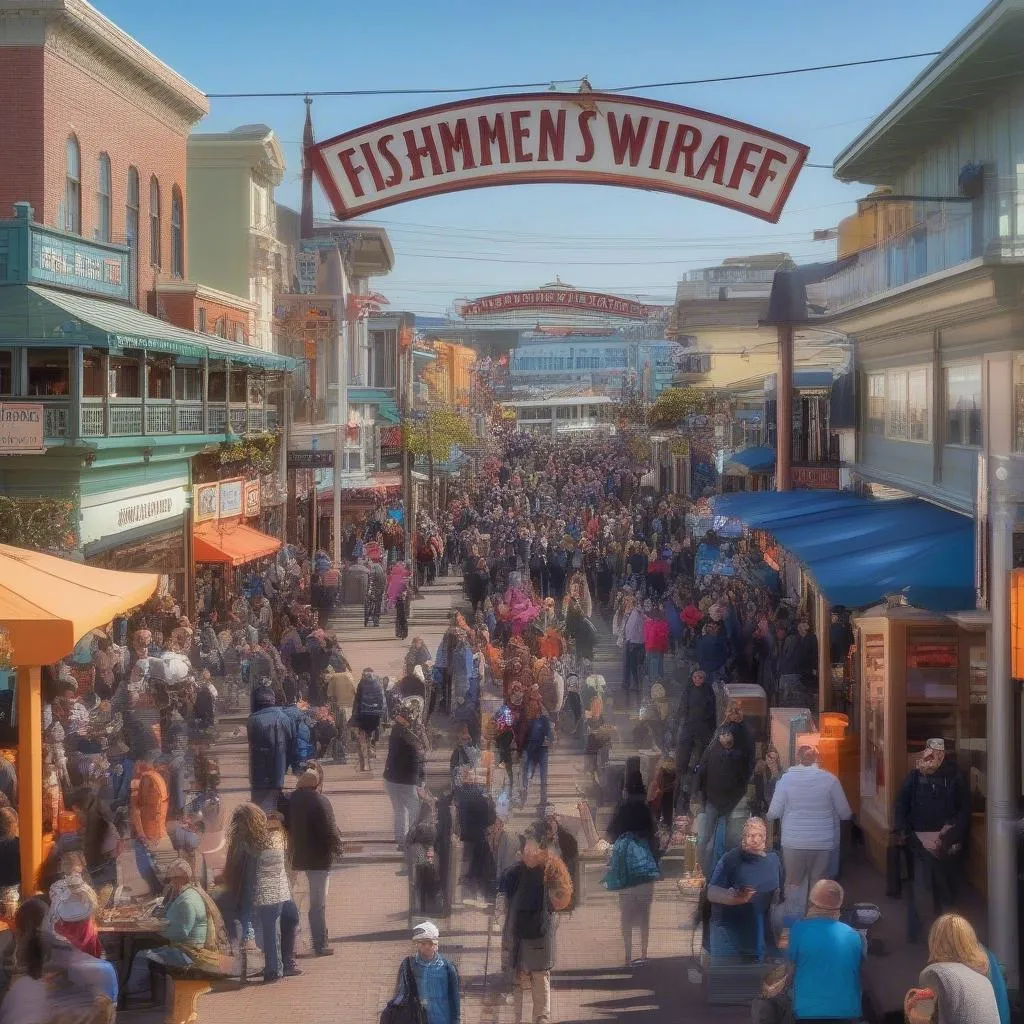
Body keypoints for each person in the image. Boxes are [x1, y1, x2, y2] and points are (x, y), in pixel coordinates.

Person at [893, 738, 971, 943]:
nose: (930, 757)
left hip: (945, 842)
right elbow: (901, 803)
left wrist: (949, 835)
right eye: (928, 752)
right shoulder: (915, 776)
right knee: (921, 888)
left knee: (945, 889)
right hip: (919, 841)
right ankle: (919, 933)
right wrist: (902, 829)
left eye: (935, 753)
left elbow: (964, 810)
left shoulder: (955, 777)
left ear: (943, 754)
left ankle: (946, 936)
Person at [500, 824, 573, 1024]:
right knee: (517, 978)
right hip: (516, 932)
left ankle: (541, 1018)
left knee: (540, 976)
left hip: (539, 931)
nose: (528, 852)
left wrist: (547, 903)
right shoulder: (513, 872)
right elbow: (503, 900)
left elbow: (562, 898)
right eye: (526, 848)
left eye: (532, 847)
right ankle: (517, 1017)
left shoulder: (552, 868)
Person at [125, 858, 225, 1000]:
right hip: (185, 949)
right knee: (142, 946)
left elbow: (182, 933)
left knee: (141, 955)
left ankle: (135, 995)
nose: (171, 884)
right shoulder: (187, 894)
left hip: (187, 953)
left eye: (172, 880)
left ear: (180, 880)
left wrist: (158, 930)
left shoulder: (187, 900)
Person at [767, 746, 851, 903]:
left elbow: (774, 813)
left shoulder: (786, 780)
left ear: (797, 759)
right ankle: (815, 921)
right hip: (822, 843)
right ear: (818, 759)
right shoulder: (830, 780)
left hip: (793, 843)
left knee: (793, 886)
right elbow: (845, 813)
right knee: (818, 887)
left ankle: (793, 924)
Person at [786, 880, 863, 1023]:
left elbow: (790, 968)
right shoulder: (854, 935)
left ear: (812, 903)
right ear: (838, 905)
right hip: (846, 1011)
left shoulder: (799, 929)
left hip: (807, 1011)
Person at [706, 816, 781, 962]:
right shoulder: (730, 859)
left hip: (758, 933)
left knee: (752, 981)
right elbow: (711, 892)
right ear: (744, 837)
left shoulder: (774, 860)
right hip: (728, 930)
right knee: (728, 980)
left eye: (760, 836)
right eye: (752, 836)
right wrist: (733, 898)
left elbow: (780, 896)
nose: (756, 840)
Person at [607, 767, 660, 966]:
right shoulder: (646, 809)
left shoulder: (621, 808)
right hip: (645, 868)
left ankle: (628, 956)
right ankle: (644, 953)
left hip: (626, 869)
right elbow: (654, 838)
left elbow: (611, 833)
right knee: (645, 913)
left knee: (626, 914)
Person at [284, 766, 340, 957]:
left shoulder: (291, 801)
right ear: (317, 784)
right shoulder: (321, 801)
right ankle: (320, 944)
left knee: (296, 903)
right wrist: (337, 848)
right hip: (319, 859)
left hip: (297, 858)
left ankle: (293, 945)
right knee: (317, 904)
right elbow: (330, 829)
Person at [905, 913, 1000, 1024]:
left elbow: (921, 1021)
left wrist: (910, 1010)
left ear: (935, 940)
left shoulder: (934, 973)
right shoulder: (985, 981)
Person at [694, 726, 751, 874]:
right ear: (719, 738)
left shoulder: (739, 755)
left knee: (730, 840)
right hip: (713, 801)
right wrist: (697, 796)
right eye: (723, 735)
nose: (726, 737)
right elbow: (700, 774)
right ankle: (700, 869)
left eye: (728, 734)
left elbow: (744, 777)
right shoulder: (711, 753)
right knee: (707, 839)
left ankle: (726, 871)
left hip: (732, 803)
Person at [391, 921, 461, 1024]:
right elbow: (400, 993)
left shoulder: (448, 968)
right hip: (415, 1019)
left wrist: (456, 1020)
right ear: (417, 944)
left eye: (430, 943)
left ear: (436, 944)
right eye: (423, 943)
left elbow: (454, 997)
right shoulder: (408, 965)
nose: (427, 947)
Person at [384, 699, 427, 849]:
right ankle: (412, 839)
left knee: (400, 810)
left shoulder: (397, 730)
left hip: (391, 778)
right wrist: (420, 781)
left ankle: (401, 840)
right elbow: (419, 756)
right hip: (405, 780)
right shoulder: (407, 737)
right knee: (415, 809)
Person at [247, 685, 294, 813]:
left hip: (258, 773)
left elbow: (252, 743)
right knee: (274, 807)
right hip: (278, 771)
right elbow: (290, 744)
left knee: (259, 810)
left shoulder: (253, 720)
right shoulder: (284, 718)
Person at [674, 668, 717, 809]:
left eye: (700, 677)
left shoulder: (708, 692)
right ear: (692, 678)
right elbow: (682, 710)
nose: (697, 680)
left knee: (698, 766)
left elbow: (712, 714)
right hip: (688, 730)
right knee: (681, 765)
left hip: (703, 732)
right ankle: (678, 797)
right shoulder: (687, 691)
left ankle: (695, 796)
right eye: (695, 677)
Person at [352, 668, 387, 774]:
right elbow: (383, 700)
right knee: (370, 738)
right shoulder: (378, 684)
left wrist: (355, 716)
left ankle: (363, 765)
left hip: (363, 715)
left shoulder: (361, 684)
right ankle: (370, 761)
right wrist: (382, 715)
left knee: (362, 739)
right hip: (375, 716)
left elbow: (357, 701)